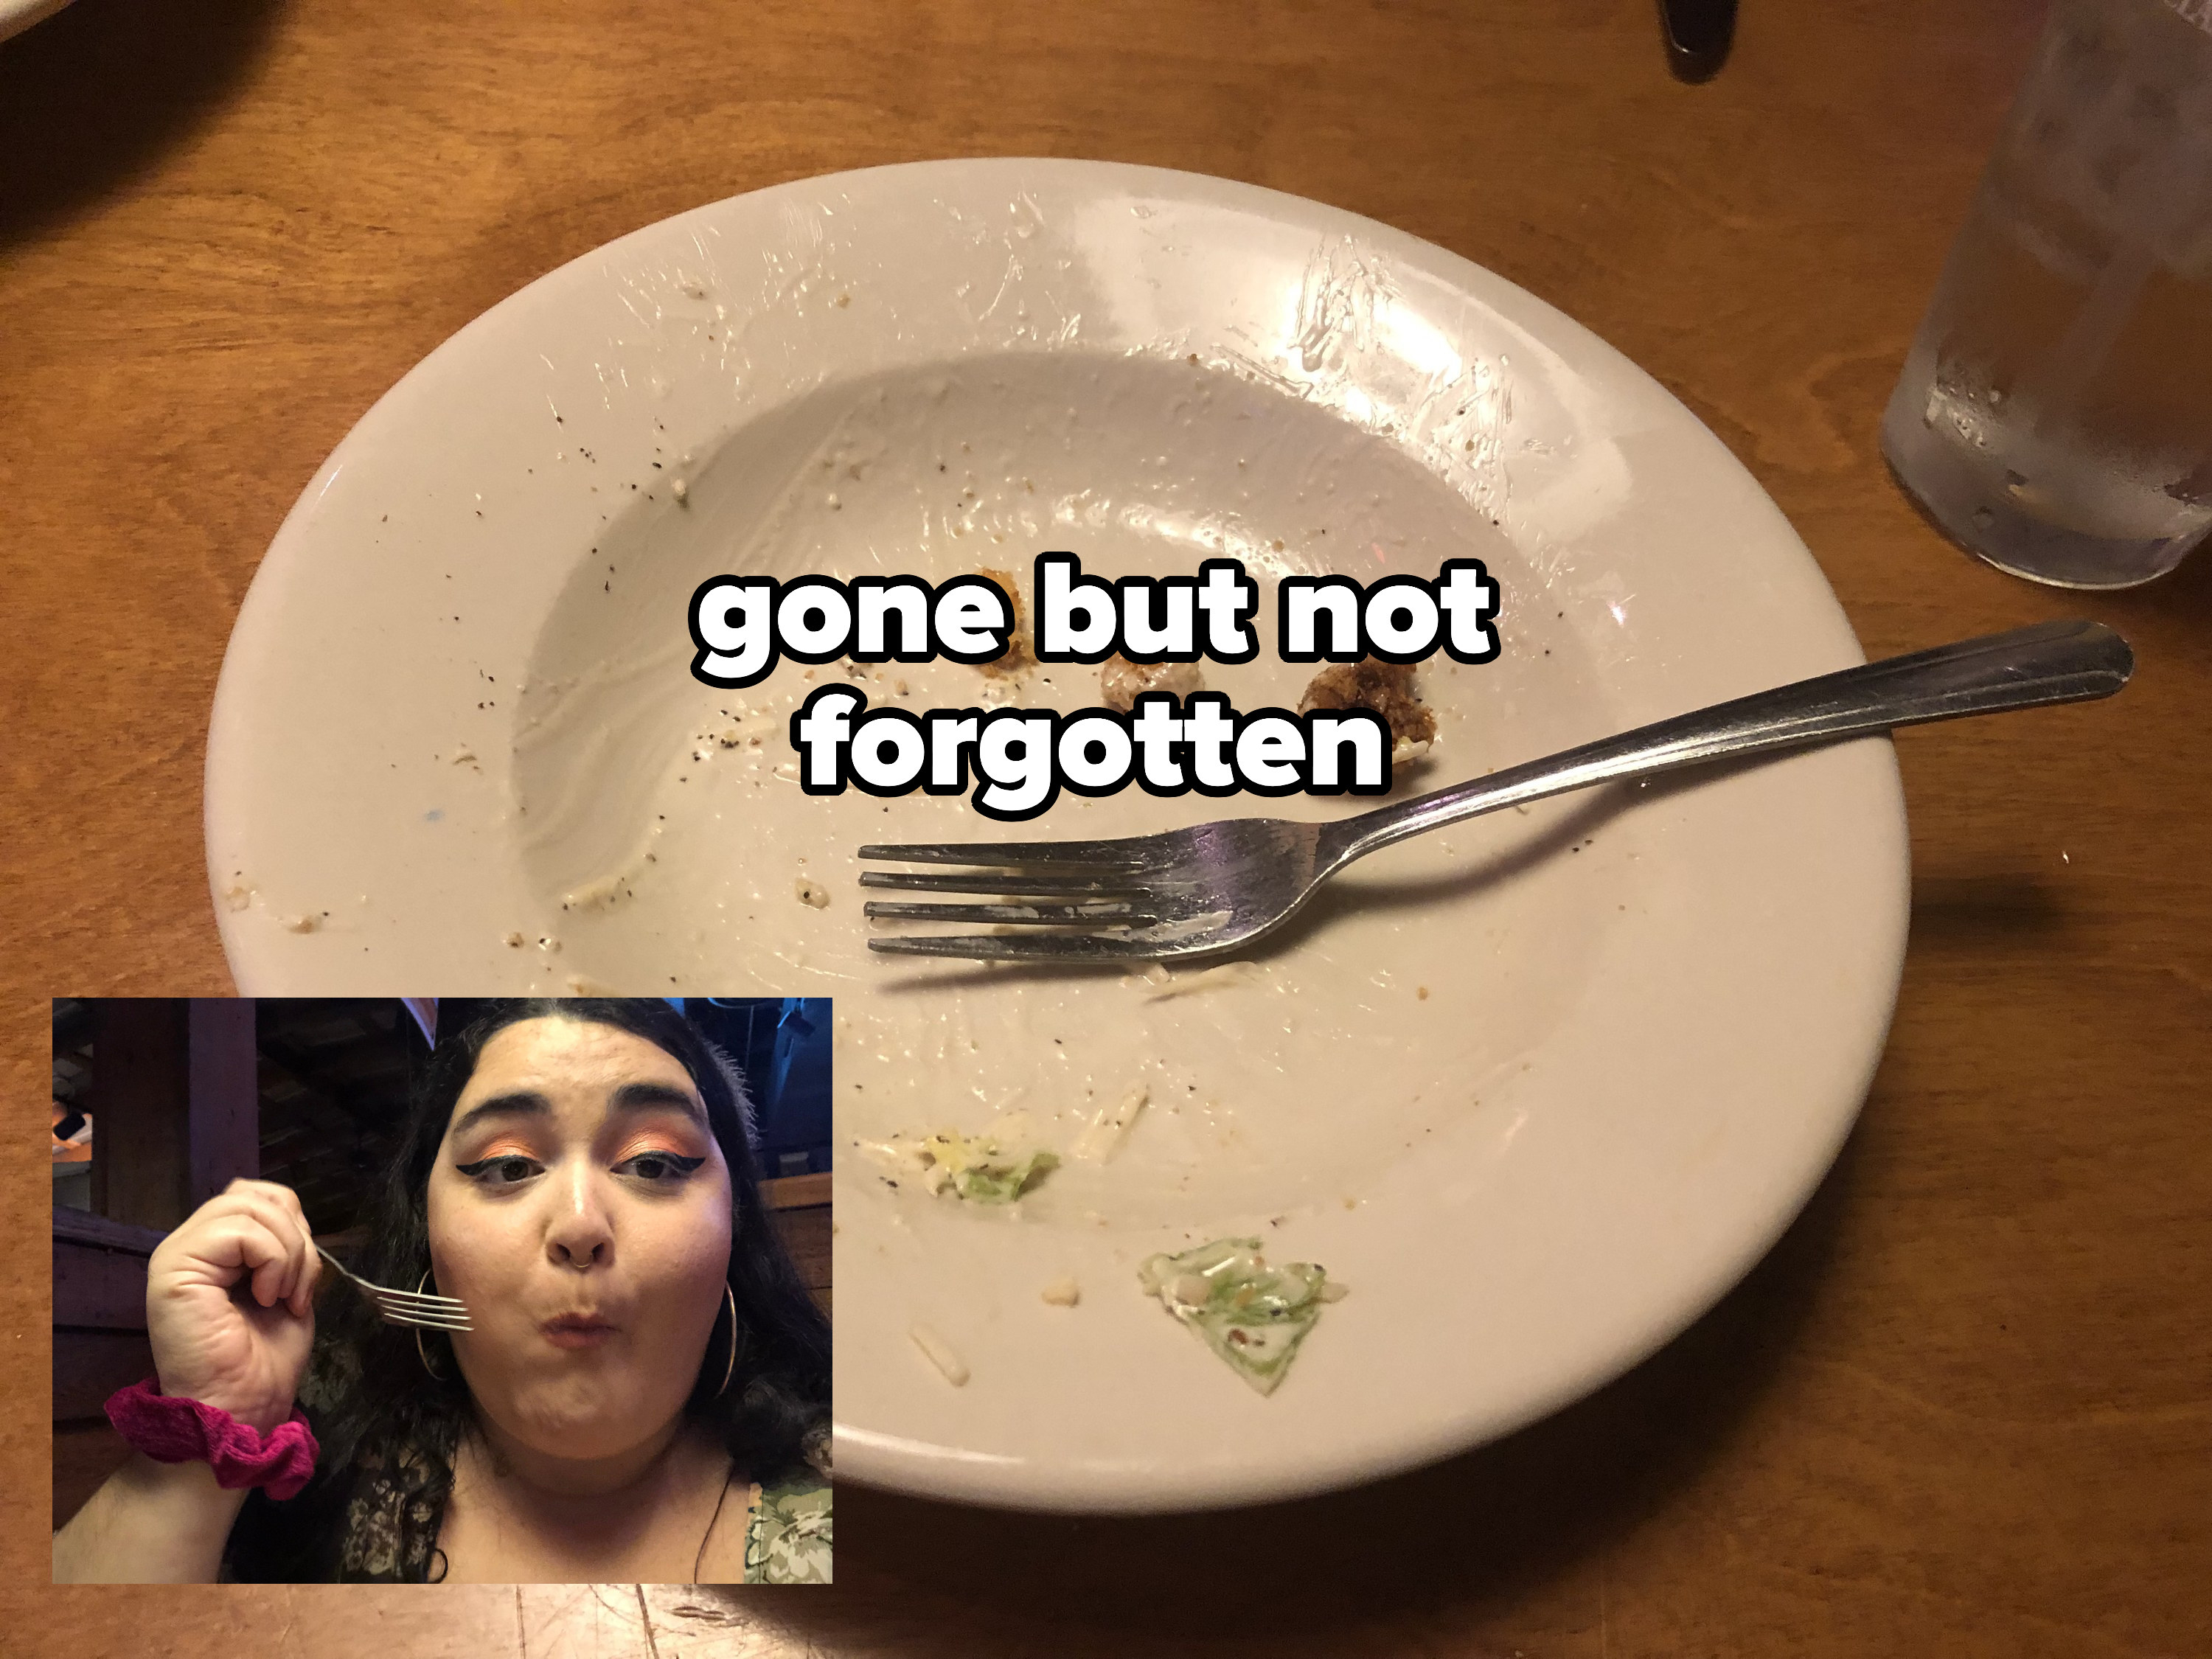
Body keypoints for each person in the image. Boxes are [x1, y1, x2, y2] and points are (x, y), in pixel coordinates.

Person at [53, 998, 831, 1583]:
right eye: (505, 1166)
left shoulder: (869, 1496)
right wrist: (215, 1424)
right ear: (427, 1236)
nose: (580, 1223)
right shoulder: (325, 1472)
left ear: (735, 1230)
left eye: (656, 1163)